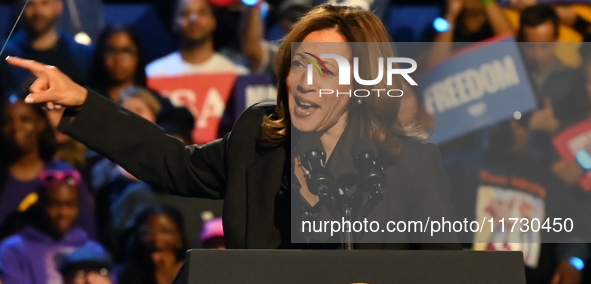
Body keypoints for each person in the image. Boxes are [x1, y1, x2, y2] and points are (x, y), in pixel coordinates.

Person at [6, 4, 459, 249]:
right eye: (298, 65)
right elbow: (171, 163)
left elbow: (443, 274)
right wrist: (84, 101)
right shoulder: (258, 139)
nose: (303, 81)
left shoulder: (414, 163)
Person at [0, 96, 96, 240]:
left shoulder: (65, 175)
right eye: (8, 121)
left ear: (40, 124)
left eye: (25, 119)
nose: (16, 127)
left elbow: (89, 236)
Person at [0, 169, 106, 284]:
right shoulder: (14, 250)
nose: (62, 213)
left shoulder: (95, 252)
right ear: (40, 205)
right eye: (54, 205)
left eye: (70, 205)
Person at [1, 0, 93, 95]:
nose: (38, 11)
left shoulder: (83, 55)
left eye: (45, 3)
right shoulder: (5, 53)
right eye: (30, 4)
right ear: (20, 8)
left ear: (59, 6)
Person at [145, 0, 248, 77]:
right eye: (184, 13)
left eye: (202, 12)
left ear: (213, 21)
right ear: (174, 23)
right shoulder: (154, 74)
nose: (193, 19)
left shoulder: (236, 74)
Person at [115, 205, 186, 284]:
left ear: (179, 236)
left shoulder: (190, 271)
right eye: (148, 232)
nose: (156, 239)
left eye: (166, 231)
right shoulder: (122, 275)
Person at [90, 25, 148, 103]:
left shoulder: (157, 105)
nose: (118, 59)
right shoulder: (89, 101)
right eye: (111, 50)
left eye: (126, 51)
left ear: (138, 54)